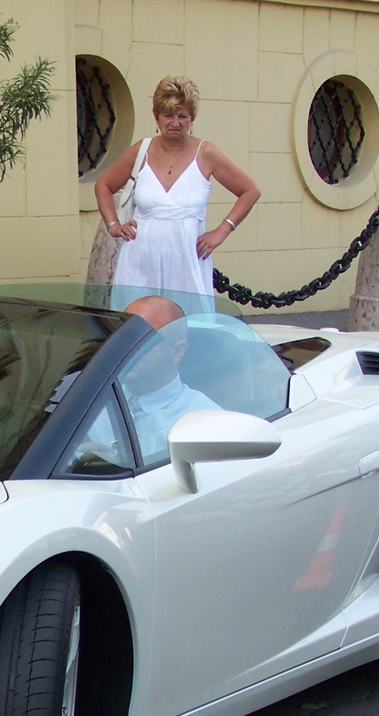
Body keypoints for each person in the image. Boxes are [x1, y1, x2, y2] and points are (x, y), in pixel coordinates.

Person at [95, 76, 259, 299]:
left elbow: (249, 191)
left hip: (186, 265)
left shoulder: (206, 153)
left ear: (192, 119)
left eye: (182, 116)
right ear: (156, 117)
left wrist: (223, 230)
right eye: (168, 115)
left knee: (188, 328)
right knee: (138, 327)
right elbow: (104, 185)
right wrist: (113, 225)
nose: (175, 122)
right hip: (140, 265)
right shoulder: (140, 151)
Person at [118, 295, 217, 462]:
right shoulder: (91, 403)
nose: (128, 348)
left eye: (143, 340)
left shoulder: (205, 423)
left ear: (177, 351)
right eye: (122, 337)